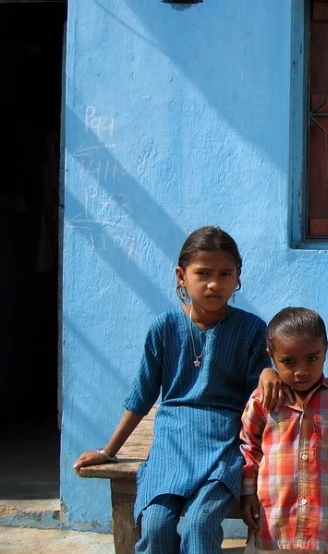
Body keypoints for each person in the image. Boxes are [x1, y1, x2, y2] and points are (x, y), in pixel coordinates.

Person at [73, 226, 286, 554]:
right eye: (203, 273)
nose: (214, 283)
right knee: (156, 524)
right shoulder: (164, 328)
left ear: (237, 276)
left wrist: (269, 372)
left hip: (224, 445)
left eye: (225, 273)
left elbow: (259, 389)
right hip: (172, 445)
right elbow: (142, 395)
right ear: (181, 276)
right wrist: (108, 450)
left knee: (201, 524)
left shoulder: (252, 329)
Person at [240, 307, 328, 554]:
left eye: (312, 358)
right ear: (272, 356)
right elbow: (249, 449)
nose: (301, 370)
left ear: (326, 350)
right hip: (273, 525)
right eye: (288, 362)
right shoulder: (263, 400)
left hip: (320, 529)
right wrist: (247, 492)